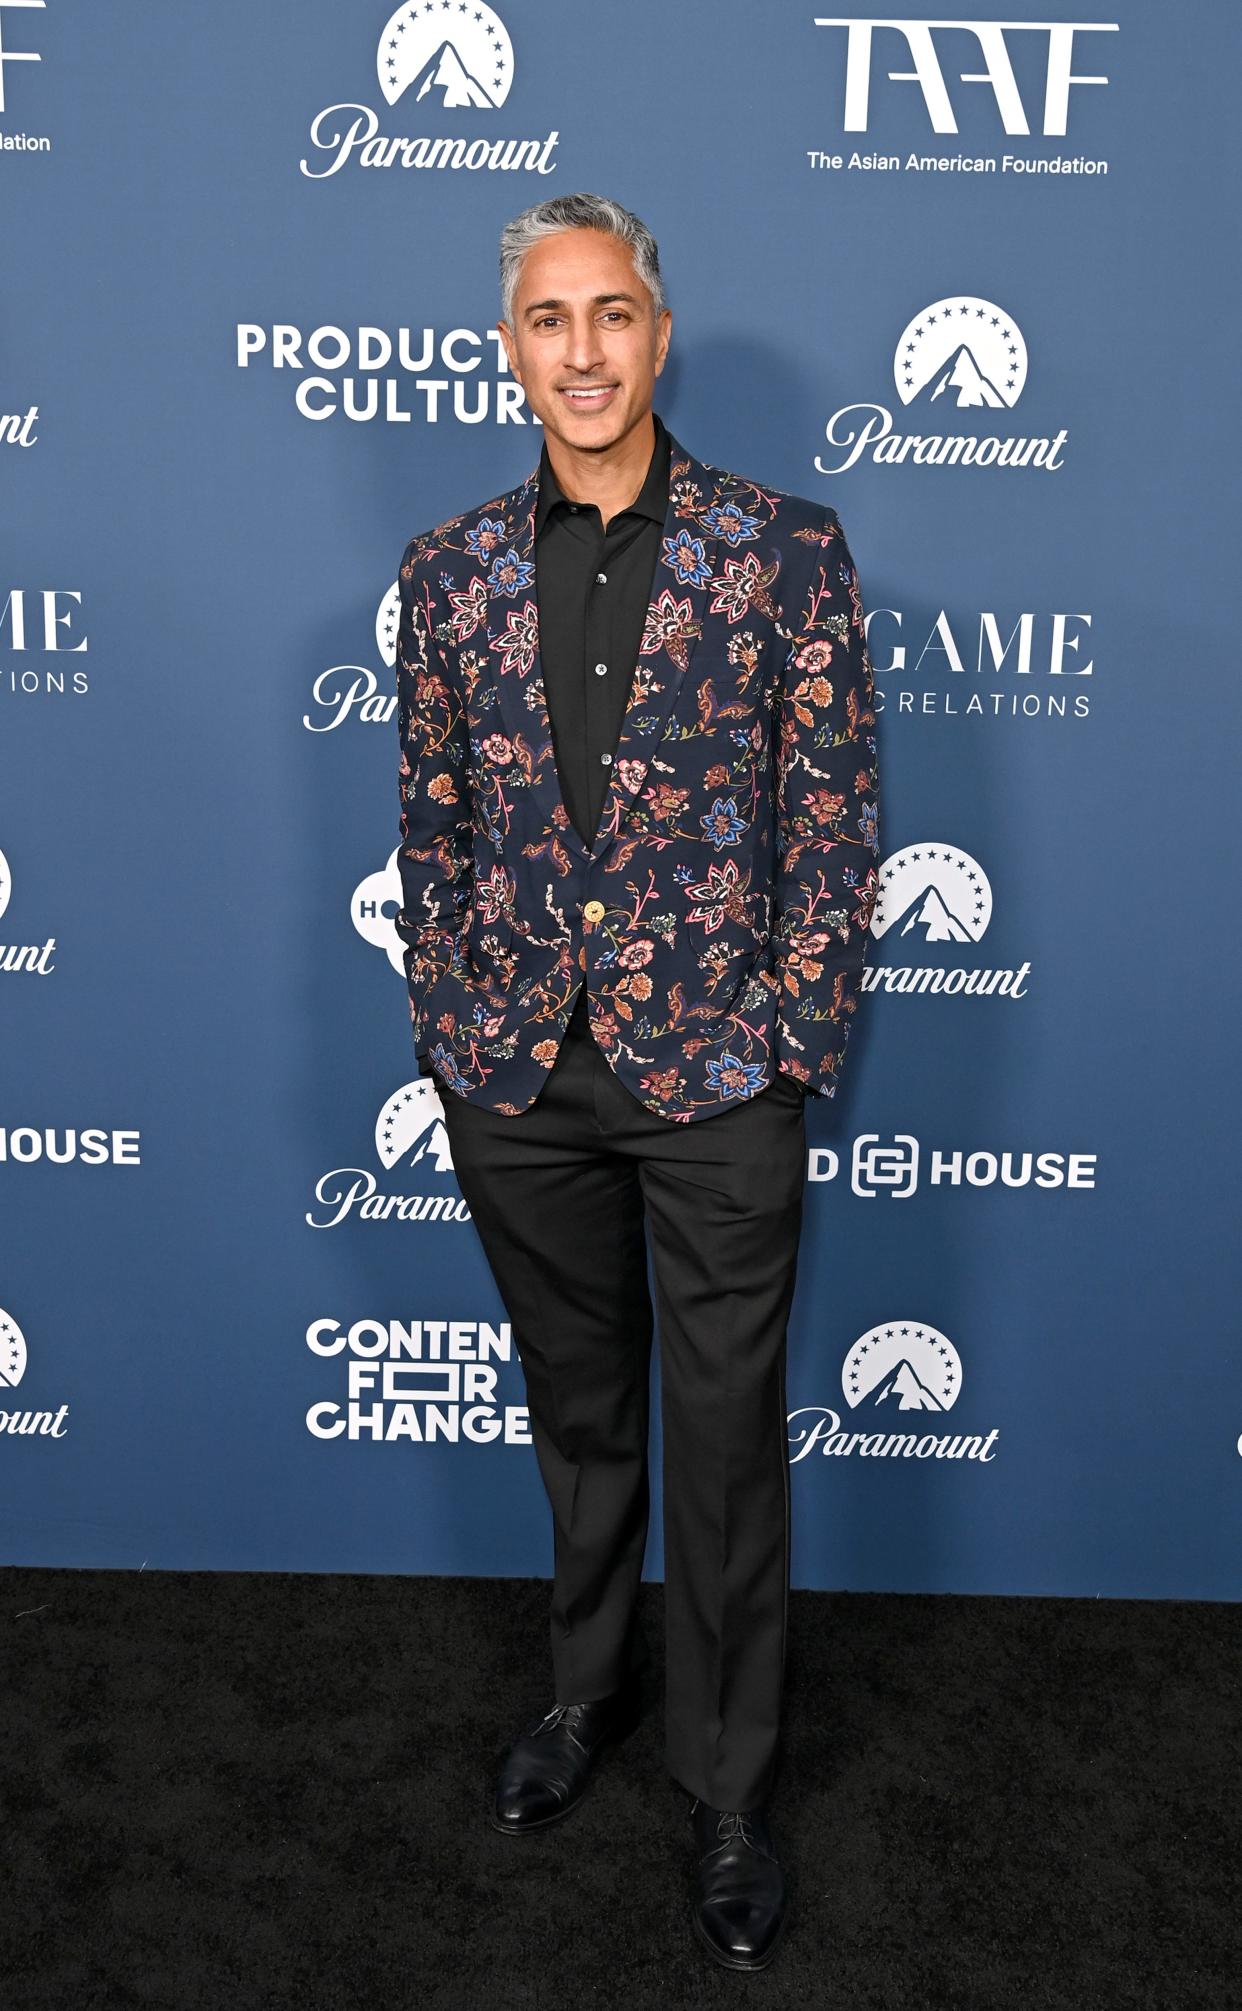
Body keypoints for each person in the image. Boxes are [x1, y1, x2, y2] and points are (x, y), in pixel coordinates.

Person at [392, 191, 880, 1972]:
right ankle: (581, 1697)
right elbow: (429, 832)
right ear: (509, 348)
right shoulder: (445, 574)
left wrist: (787, 1047)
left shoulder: (781, 553)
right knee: (582, 1419)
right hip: (519, 1079)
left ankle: (731, 1786)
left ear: (657, 337)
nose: (582, 351)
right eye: (547, 320)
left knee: (727, 1445)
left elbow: (833, 828)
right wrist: (455, 1026)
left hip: (718, 1085)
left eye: (611, 316)